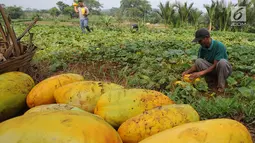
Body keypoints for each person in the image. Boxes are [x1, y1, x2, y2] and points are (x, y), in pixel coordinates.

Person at [182, 28, 232, 92]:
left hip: (223, 70)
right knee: (198, 61)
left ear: (206, 38)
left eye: (200, 41)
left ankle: (221, 87)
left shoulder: (219, 46)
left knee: (222, 62)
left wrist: (200, 73)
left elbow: (215, 65)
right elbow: (197, 65)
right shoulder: (202, 48)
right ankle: (211, 81)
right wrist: (187, 71)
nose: (199, 43)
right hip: (213, 70)